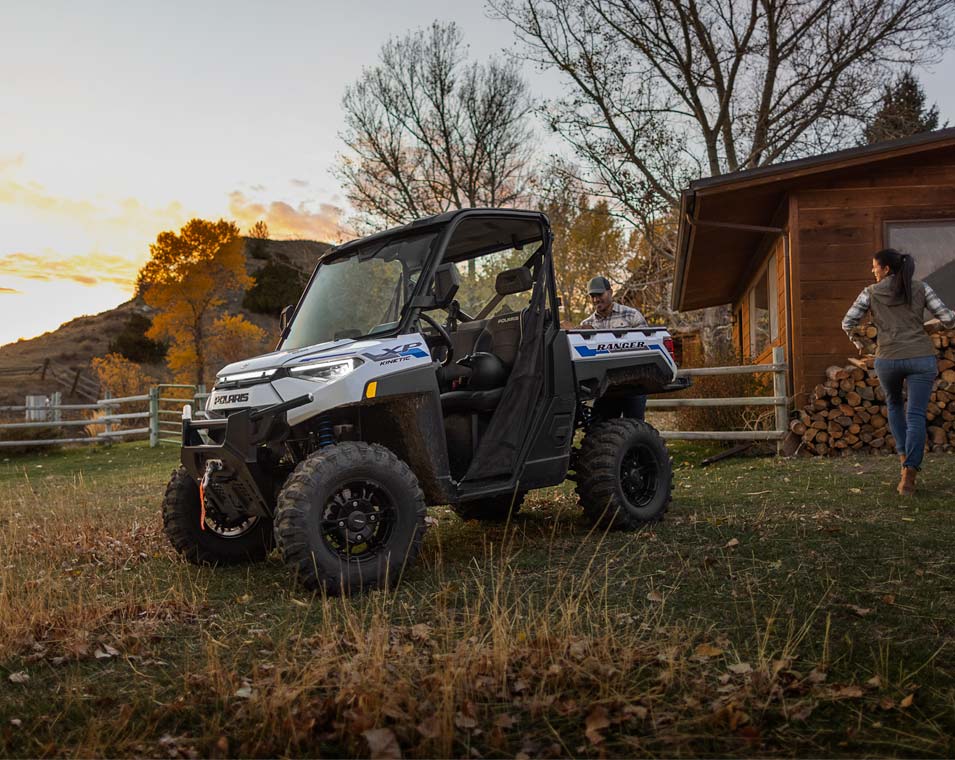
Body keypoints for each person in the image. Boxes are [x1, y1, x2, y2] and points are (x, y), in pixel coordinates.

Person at [842, 248, 955, 495]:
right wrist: (934, 326)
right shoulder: (921, 287)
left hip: (888, 359)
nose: (872, 270)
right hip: (921, 357)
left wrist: (862, 344)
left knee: (894, 405)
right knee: (915, 415)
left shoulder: (870, 292)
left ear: (886, 269)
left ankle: (904, 459)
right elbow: (948, 318)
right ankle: (909, 473)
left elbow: (847, 322)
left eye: (875, 266)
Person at [581, 275, 648, 421]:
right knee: (600, 426)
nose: (596, 299)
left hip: (633, 383)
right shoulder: (586, 324)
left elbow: (646, 346)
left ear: (610, 292)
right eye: (592, 296)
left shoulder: (631, 316)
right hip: (605, 389)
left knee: (636, 425)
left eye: (599, 294)